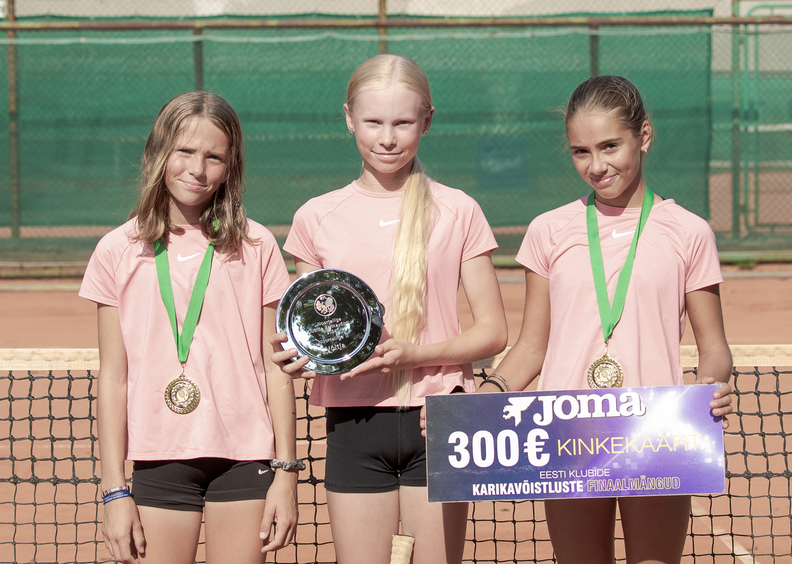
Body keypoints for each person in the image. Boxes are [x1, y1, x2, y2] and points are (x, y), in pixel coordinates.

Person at [477, 75, 734, 564]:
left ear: (644, 136)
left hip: (658, 433)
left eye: (610, 146)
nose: (596, 166)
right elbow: (532, 346)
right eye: (581, 151)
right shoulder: (548, 231)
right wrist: (485, 397)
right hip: (566, 435)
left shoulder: (690, 233)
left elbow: (715, 348)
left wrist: (710, 385)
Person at [271, 54, 507, 564]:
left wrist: (417, 355)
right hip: (353, 425)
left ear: (427, 120)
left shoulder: (459, 210)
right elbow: (314, 329)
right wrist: (302, 355)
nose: (387, 138)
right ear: (349, 118)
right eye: (373, 121)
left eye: (402, 122)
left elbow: (493, 332)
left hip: (440, 418)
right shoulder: (315, 217)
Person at [79, 91, 299, 564]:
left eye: (213, 156)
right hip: (159, 458)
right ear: (159, 151)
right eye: (184, 151)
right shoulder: (116, 250)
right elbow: (113, 377)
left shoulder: (258, 245)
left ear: (231, 165)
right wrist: (114, 491)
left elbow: (276, 367)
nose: (197, 169)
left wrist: (286, 473)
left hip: (246, 458)